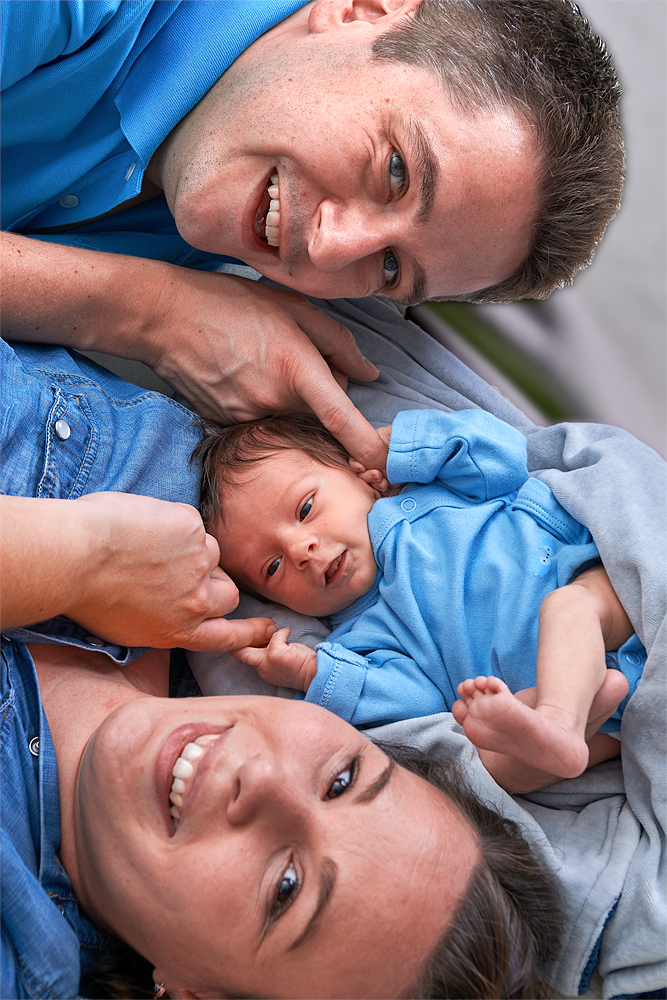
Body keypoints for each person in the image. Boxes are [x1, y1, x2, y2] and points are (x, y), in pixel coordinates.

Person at [2, 0, 624, 454]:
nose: (329, 248)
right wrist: (155, 315)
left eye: (390, 268)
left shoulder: (222, 198)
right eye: (397, 171)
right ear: (361, 11)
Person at [194, 409, 647, 789]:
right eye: (271, 568)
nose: (300, 550)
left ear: (358, 474)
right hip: (564, 702)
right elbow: (417, 701)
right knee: (486, 761)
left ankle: (561, 723)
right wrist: (314, 671)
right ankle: (568, 729)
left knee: (569, 609)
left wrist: (405, 449)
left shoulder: (433, 492)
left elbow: (504, 456)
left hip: (585, 594)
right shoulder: (360, 637)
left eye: (306, 509)